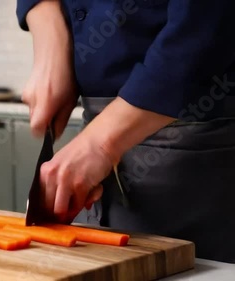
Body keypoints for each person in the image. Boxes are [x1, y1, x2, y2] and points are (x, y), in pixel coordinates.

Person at [16, 0, 235, 263]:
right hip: (95, 140)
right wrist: (51, 45)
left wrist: (101, 143)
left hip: (201, 145)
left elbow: (207, 25)